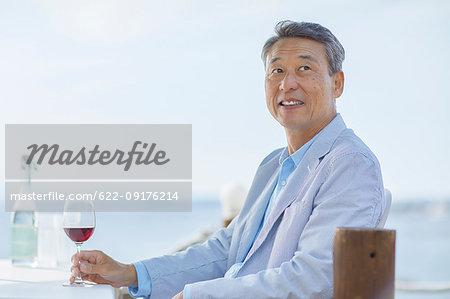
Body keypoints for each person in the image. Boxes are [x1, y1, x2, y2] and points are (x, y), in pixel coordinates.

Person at [70, 20, 385, 299]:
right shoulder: (272, 165)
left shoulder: (350, 164)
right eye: (277, 70)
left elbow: (314, 280)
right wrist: (130, 273)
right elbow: (223, 252)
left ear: (337, 83)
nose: (287, 83)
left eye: (305, 68)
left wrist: (198, 295)